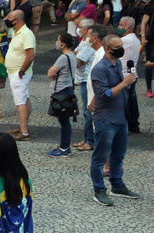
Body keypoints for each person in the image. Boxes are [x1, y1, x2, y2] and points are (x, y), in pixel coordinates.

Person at [89, 34, 140, 206]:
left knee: (118, 155)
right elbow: (105, 94)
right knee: (100, 157)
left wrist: (128, 82)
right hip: (106, 120)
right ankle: (99, 190)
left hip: (120, 118)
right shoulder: (100, 69)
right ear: (107, 48)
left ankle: (117, 185)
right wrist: (125, 83)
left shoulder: (117, 63)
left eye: (121, 45)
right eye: (117, 47)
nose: (120, 49)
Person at [4, 10, 35, 141]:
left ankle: (24, 132)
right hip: (15, 72)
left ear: (16, 19)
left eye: (9, 17)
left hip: (19, 73)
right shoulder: (17, 32)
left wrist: (22, 70)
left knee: (20, 101)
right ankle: (24, 125)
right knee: (25, 98)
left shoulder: (26, 34)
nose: (7, 19)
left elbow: (30, 55)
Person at [46, 33, 77, 157]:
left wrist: (53, 72)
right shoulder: (72, 56)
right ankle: (64, 146)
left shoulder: (63, 57)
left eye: (58, 40)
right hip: (68, 88)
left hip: (61, 91)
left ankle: (64, 148)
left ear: (63, 44)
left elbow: (51, 72)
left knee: (64, 120)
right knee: (64, 120)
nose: (57, 42)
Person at [72, 19, 97, 152]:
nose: (78, 29)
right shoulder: (83, 41)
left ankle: (90, 140)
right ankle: (87, 138)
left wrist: (76, 57)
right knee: (86, 111)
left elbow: (78, 61)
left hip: (85, 79)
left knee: (88, 111)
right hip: (82, 78)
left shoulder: (88, 44)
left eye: (80, 27)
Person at [118, 16, 141, 133]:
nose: (119, 27)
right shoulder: (136, 40)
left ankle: (125, 125)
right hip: (132, 74)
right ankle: (134, 124)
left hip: (124, 75)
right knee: (132, 101)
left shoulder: (125, 40)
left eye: (121, 25)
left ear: (128, 27)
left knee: (124, 102)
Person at [141, 0, 154, 98]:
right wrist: (143, 37)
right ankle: (149, 88)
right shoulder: (150, 7)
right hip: (152, 40)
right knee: (150, 63)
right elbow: (143, 23)